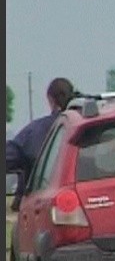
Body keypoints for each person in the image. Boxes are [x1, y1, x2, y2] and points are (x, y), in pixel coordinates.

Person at [5, 77, 75, 211]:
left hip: (37, 208)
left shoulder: (33, 133)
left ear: (50, 100)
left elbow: (9, 157)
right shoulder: (90, 130)